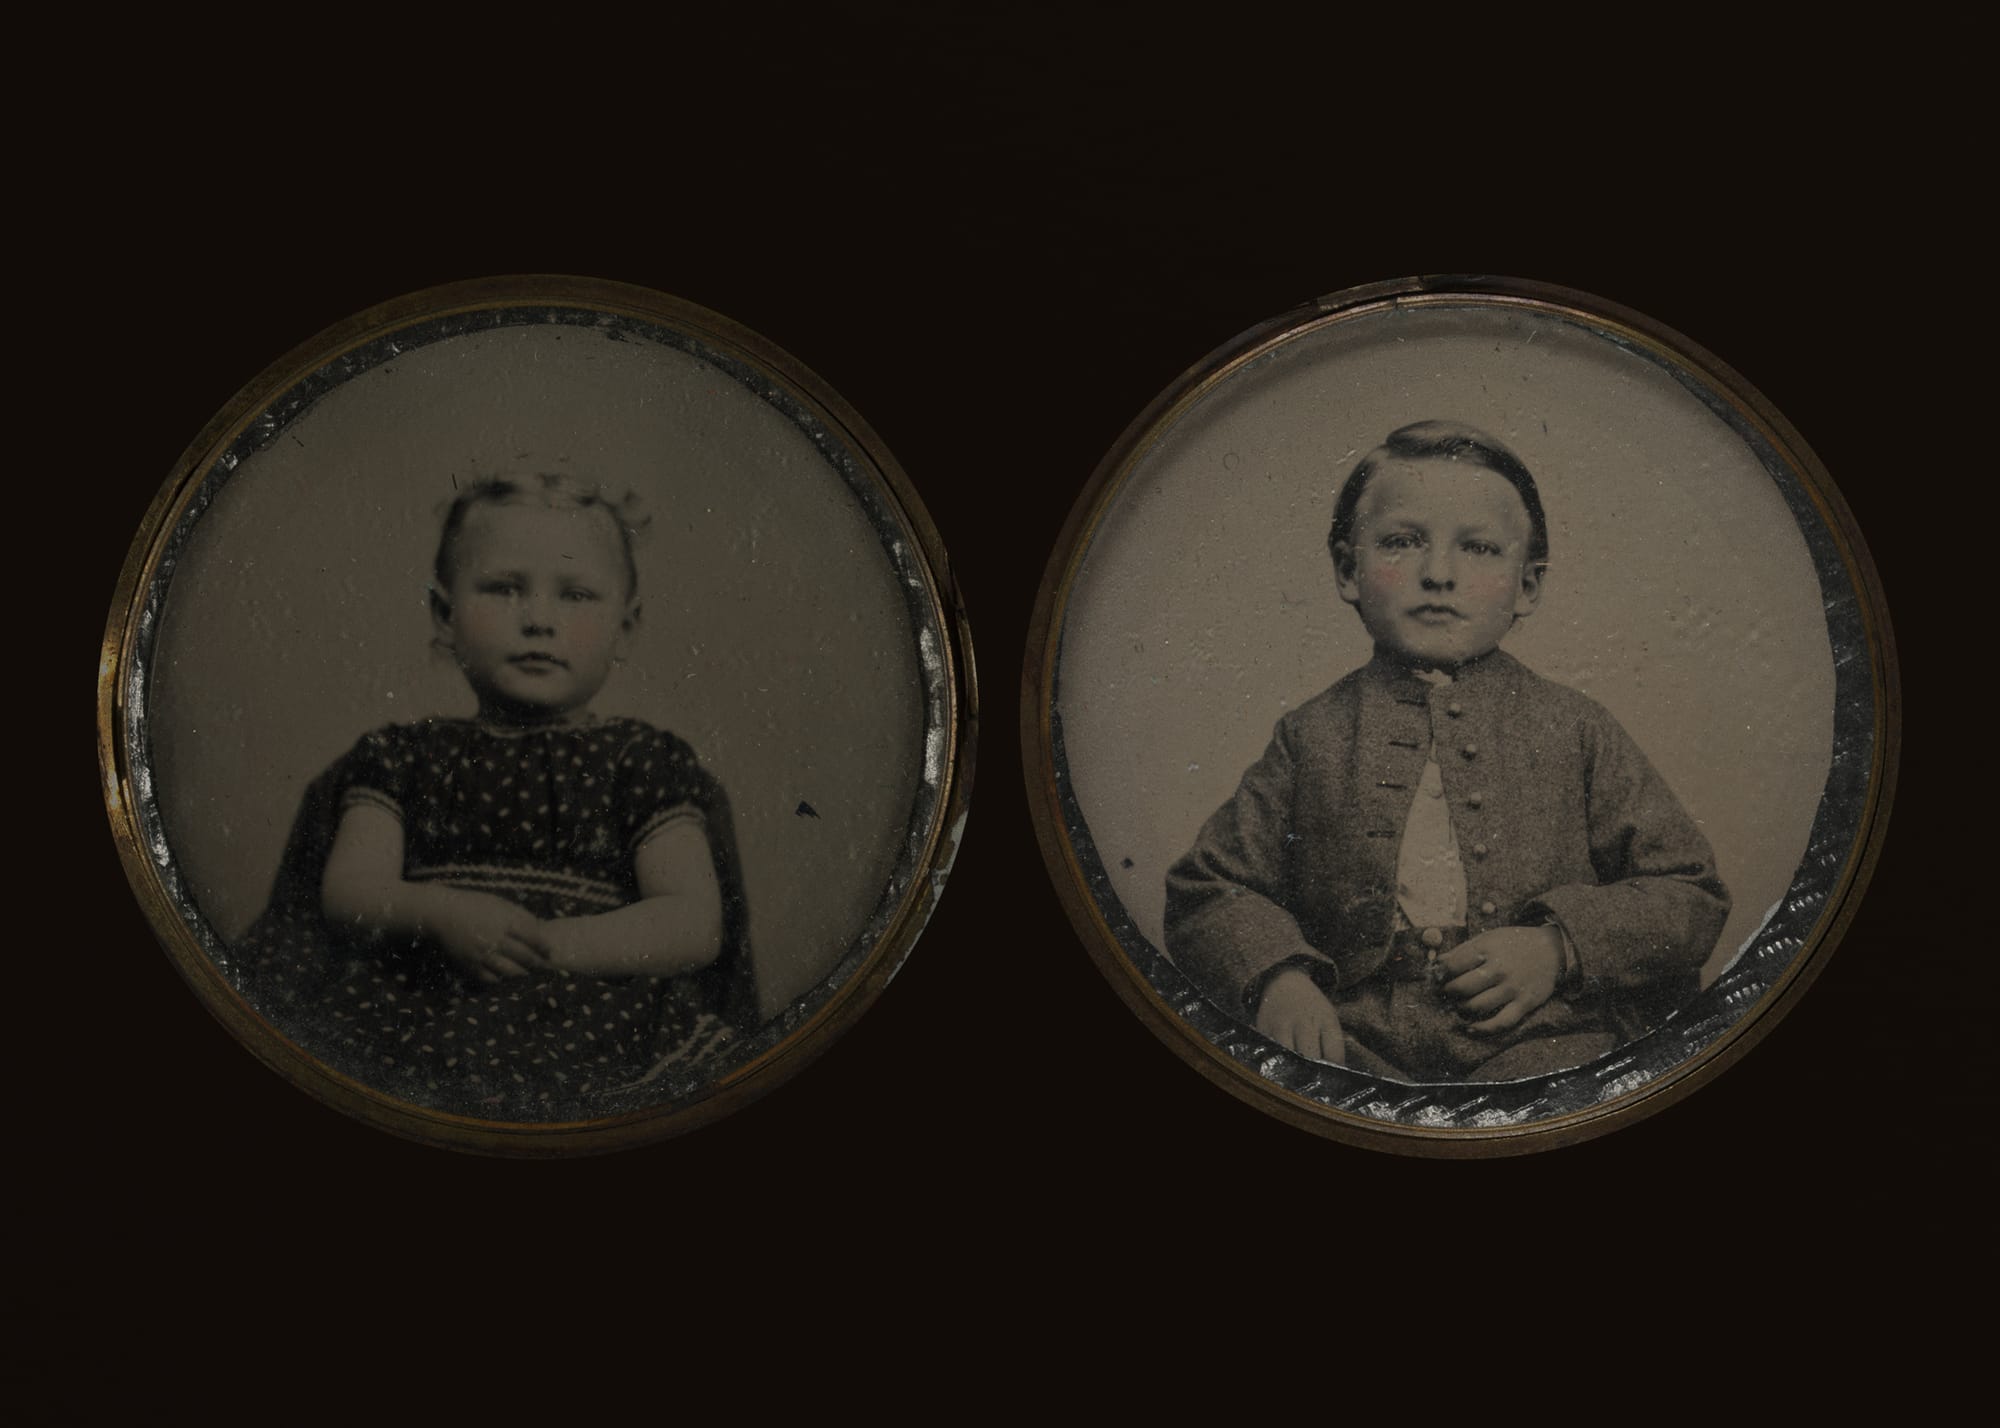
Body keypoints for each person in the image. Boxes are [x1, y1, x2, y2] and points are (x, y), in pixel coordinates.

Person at [1162, 422, 1729, 1083]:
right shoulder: (1310, 736)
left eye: (1480, 548)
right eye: (1402, 542)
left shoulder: (1576, 728)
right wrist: (1278, 977)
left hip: (1550, 1040)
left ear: (1528, 586)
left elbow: (1690, 895)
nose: (1439, 575)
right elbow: (1208, 889)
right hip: (1357, 1045)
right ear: (1348, 569)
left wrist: (1557, 948)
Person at [233, 473, 756, 1117]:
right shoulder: (401, 756)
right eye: (504, 588)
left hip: (597, 1017)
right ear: (445, 615)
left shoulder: (644, 762)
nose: (538, 620)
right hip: (419, 1005)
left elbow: (693, 922)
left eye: (577, 595)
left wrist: (551, 947)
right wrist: (446, 914)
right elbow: (350, 893)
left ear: (626, 625)